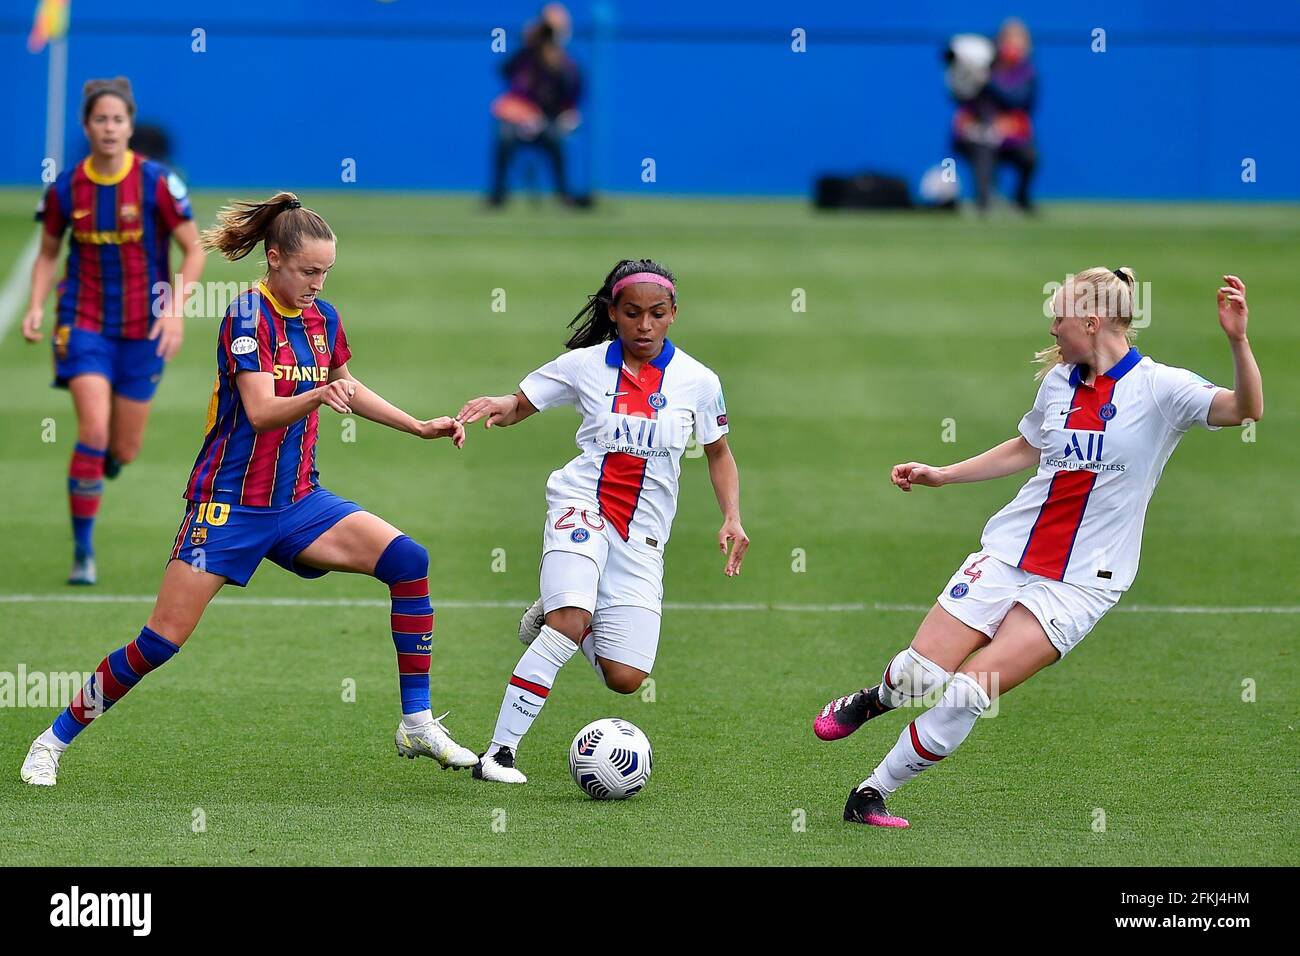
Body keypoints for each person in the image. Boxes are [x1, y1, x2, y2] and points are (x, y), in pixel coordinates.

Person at [20, 192, 476, 787]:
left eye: (326, 272)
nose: (318, 282)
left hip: (299, 502)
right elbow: (261, 411)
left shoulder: (324, 318)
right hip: (228, 506)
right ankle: (51, 741)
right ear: (274, 258)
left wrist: (417, 425)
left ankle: (416, 720)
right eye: (308, 271)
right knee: (160, 641)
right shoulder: (245, 315)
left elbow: (345, 383)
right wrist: (316, 395)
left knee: (408, 560)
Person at [814, 268, 1262, 827]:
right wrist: (943, 474)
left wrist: (1237, 340)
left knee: (969, 694)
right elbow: (1027, 447)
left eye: (1059, 316)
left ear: (1092, 321)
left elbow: (1245, 409)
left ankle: (870, 793)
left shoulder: (1161, 389)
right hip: (1009, 553)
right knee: (920, 676)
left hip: (1081, 584)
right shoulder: (1058, 384)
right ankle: (873, 700)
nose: (1052, 327)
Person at [455, 258, 749, 783]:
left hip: (644, 534)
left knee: (626, 677)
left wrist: (732, 516)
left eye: (656, 314)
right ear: (613, 312)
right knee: (569, 623)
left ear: (674, 314)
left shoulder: (699, 382)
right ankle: (498, 755)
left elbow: (719, 451)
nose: (644, 326)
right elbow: (524, 402)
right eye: (632, 313)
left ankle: (557, 607)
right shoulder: (587, 365)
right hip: (581, 505)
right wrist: (499, 405)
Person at [22, 76, 206, 585]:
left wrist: (174, 310)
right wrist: (37, 305)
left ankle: (101, 464)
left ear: (129, 127)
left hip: (143, 331)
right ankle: (83, 554)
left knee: (122, 449)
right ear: (87, 127)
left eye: (117, 120)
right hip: (82, 323)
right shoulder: (66, 187)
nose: (109, 127)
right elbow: (48, 252)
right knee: (94, 430)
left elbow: (195, 250)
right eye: (100, 119)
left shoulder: (157, 183)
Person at [487, 4, 583, 207]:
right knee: (504, 136)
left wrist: (566, 117)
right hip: (519, 122)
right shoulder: (525, 57)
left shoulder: (568, 66)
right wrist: (528, 42)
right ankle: (497, 196)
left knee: (556, 141)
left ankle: (564, 195)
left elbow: (571, 104)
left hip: (548, 123)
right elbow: (505, 74)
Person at [951, 18, 1038, 213]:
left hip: (1010, 138)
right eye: (1009, 40)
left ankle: (1020, 200)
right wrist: (966, 75)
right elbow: (960, 96)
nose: (1013, 46)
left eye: (1019, 42)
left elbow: (1019, 100)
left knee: (1030, 156)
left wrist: (987, 81)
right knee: (983, 149)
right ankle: (984, 203)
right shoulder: (985, 63)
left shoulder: (1027, 72)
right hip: (979, 135)